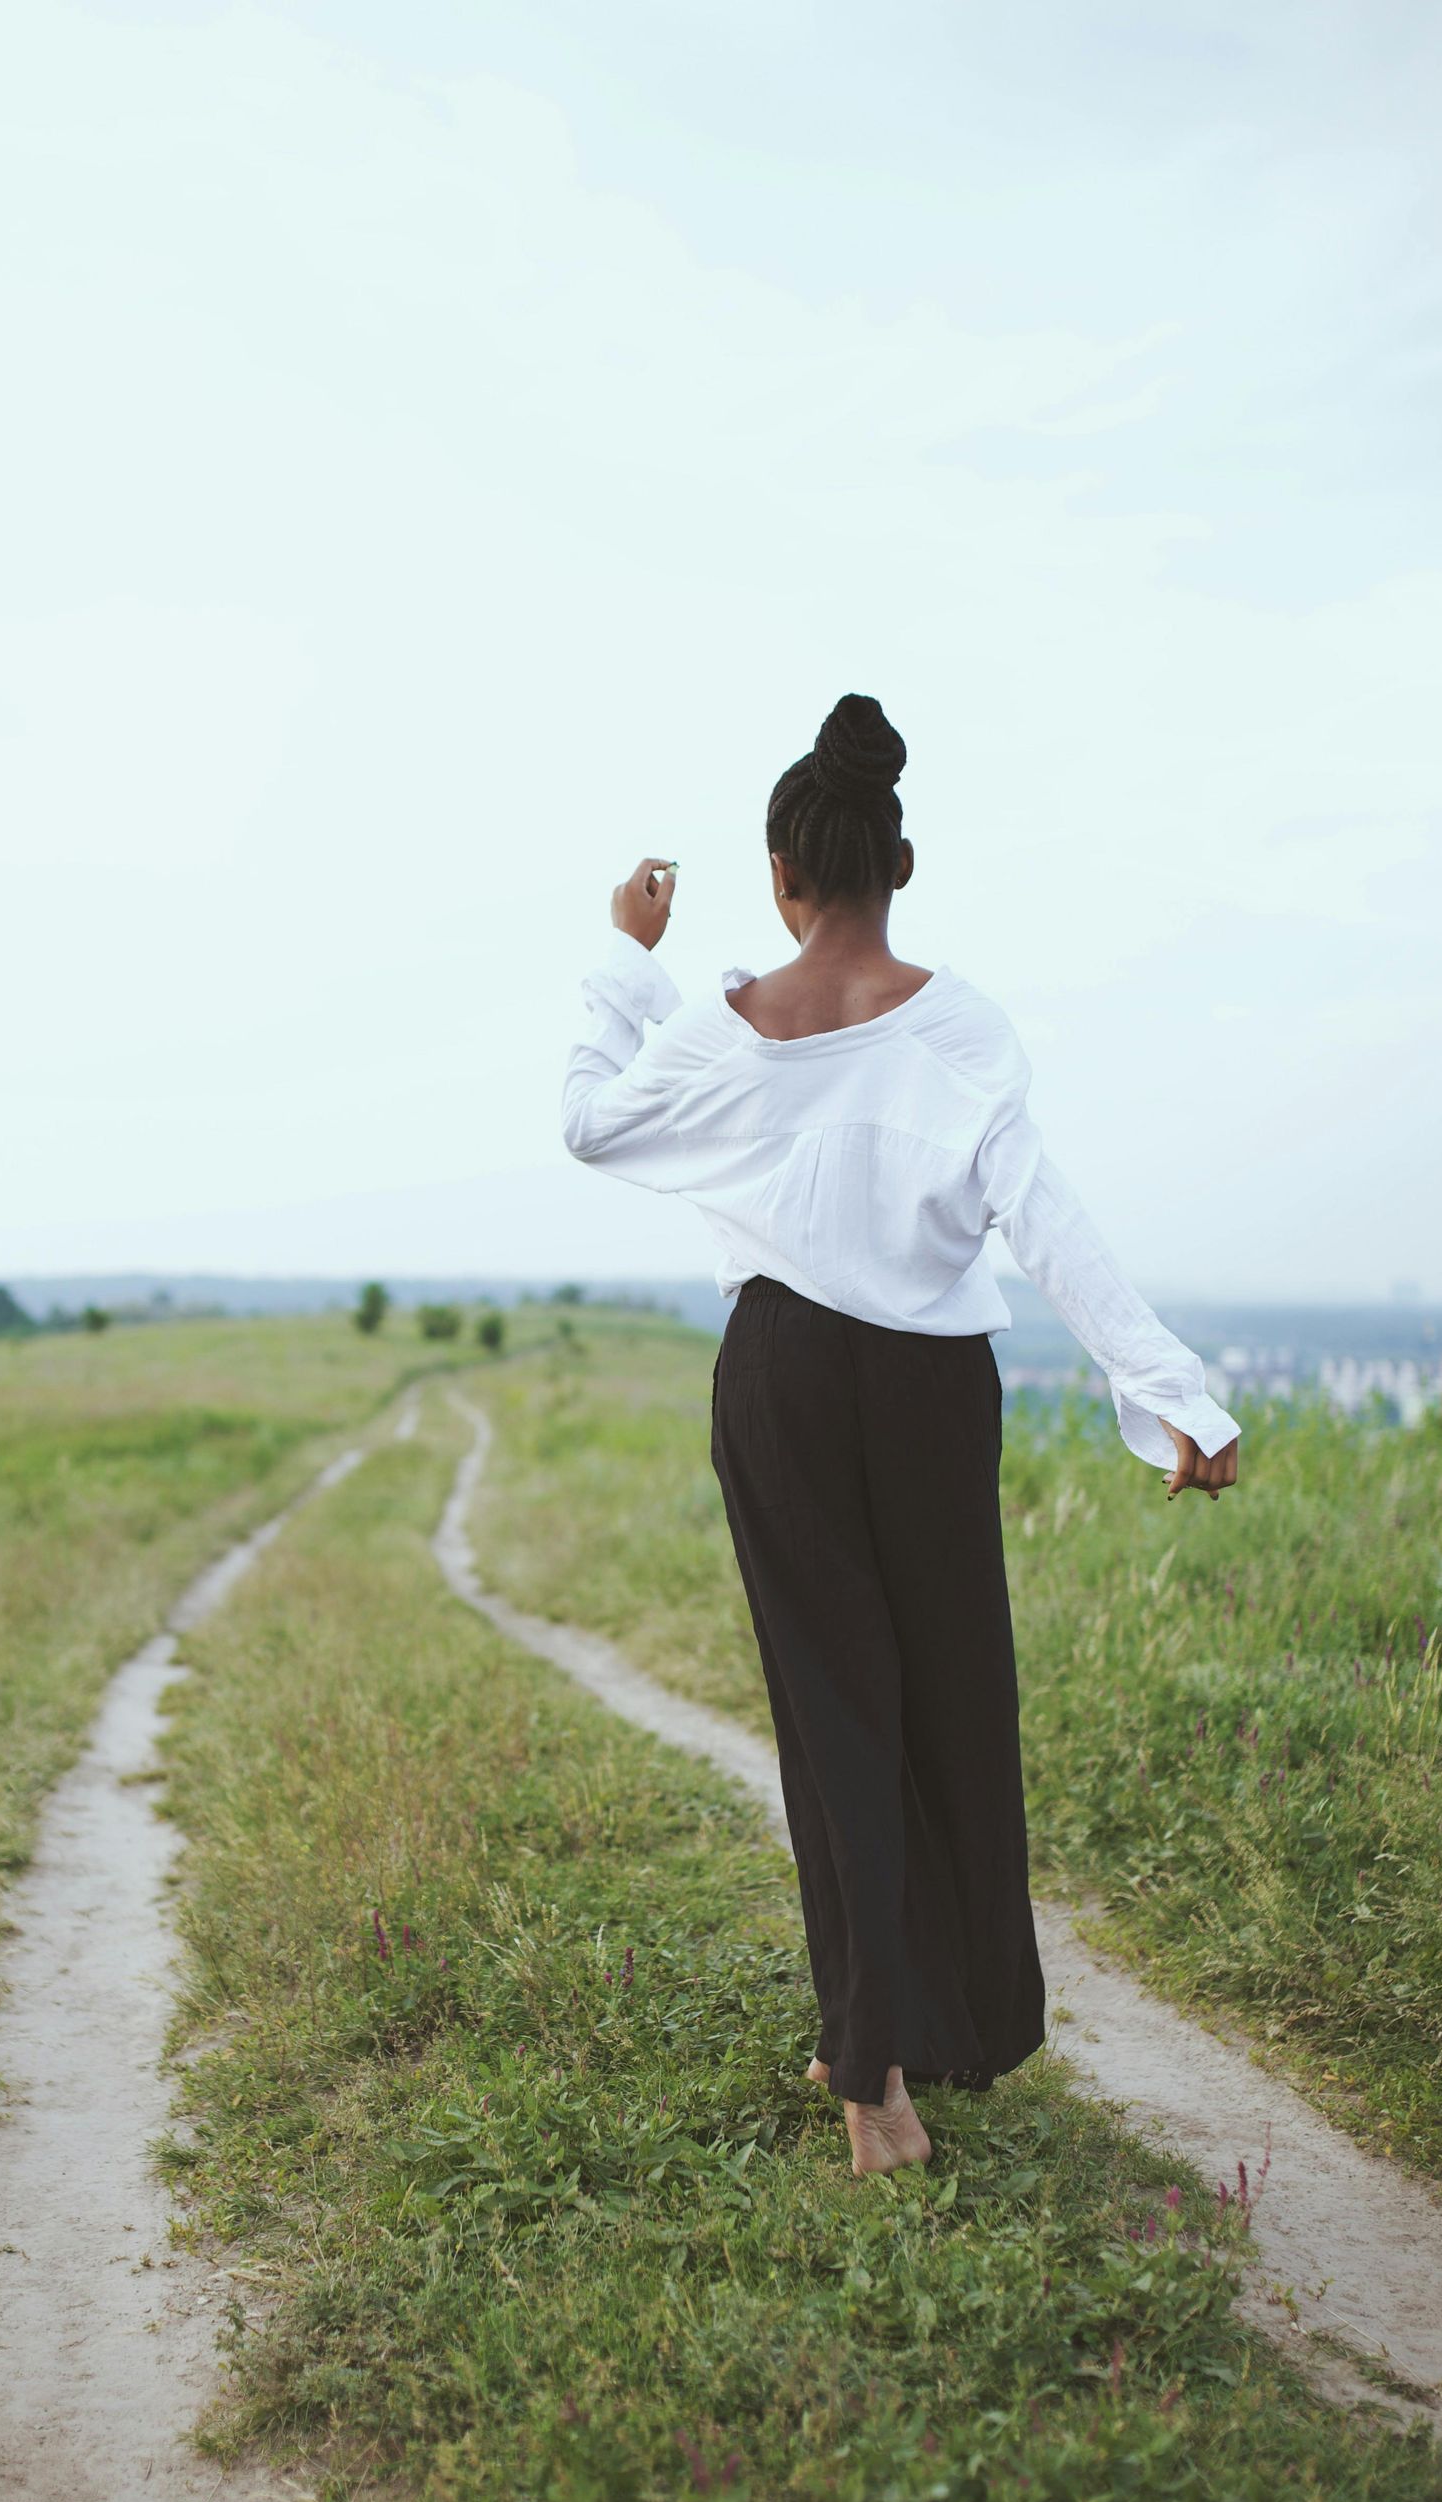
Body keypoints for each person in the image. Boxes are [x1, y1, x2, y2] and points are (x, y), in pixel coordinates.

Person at [560, 693, 1240, 2178]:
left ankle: (871, 2056)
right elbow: (1044, 1218)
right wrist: (1174, 1392)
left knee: (836, 1712)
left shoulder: (728, 1025)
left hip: (784, 1380)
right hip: (931, 1393)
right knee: (946, 1703)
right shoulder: (962, 1025)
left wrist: (628, 956)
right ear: (899, 869)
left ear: (783, 879)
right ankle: (900, 2050)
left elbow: (591, 1125)